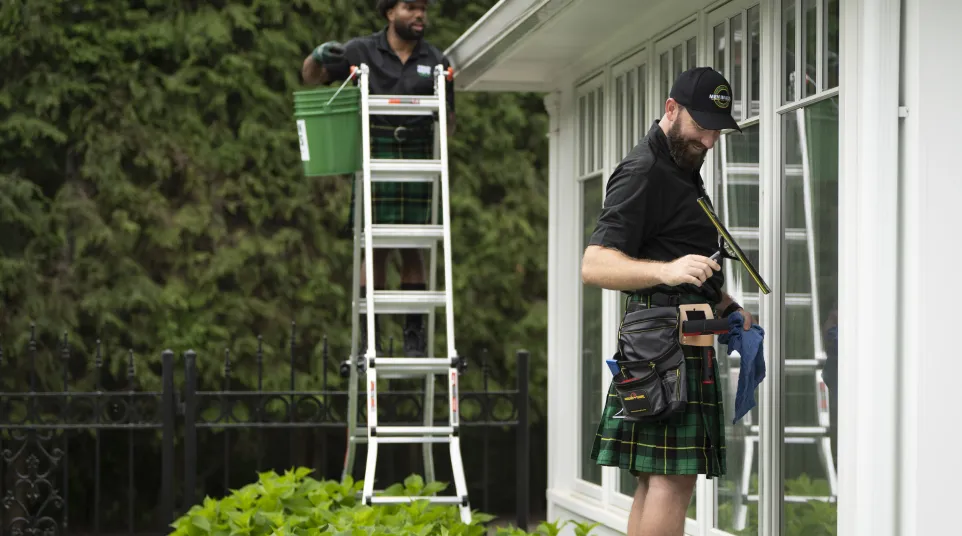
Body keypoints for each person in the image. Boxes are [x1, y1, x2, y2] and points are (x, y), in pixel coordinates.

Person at [581, 66, 756, 536]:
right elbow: (594, 264)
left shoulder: (681, 168)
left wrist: (725, 305)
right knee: (670, 481)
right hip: (666, 345)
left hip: (677, 337)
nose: (710, 141)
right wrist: (667, 271)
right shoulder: (644, 171)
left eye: (717, 130)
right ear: (671, 109)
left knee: (659, 478)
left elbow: (676, 252)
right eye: (701, 127)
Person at [301, 0, 455, 358]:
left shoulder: (436, 61)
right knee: (376, 247)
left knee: (415, 244)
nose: (420, 16)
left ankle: (413, 339)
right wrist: (317, 56)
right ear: (389, 13)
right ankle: (368, 336)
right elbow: (311, 77)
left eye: (423, 9)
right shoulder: (360, 50)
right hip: (376, 151)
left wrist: (441, 153)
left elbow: (448, 120)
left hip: (418, 155)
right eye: (411, 8)